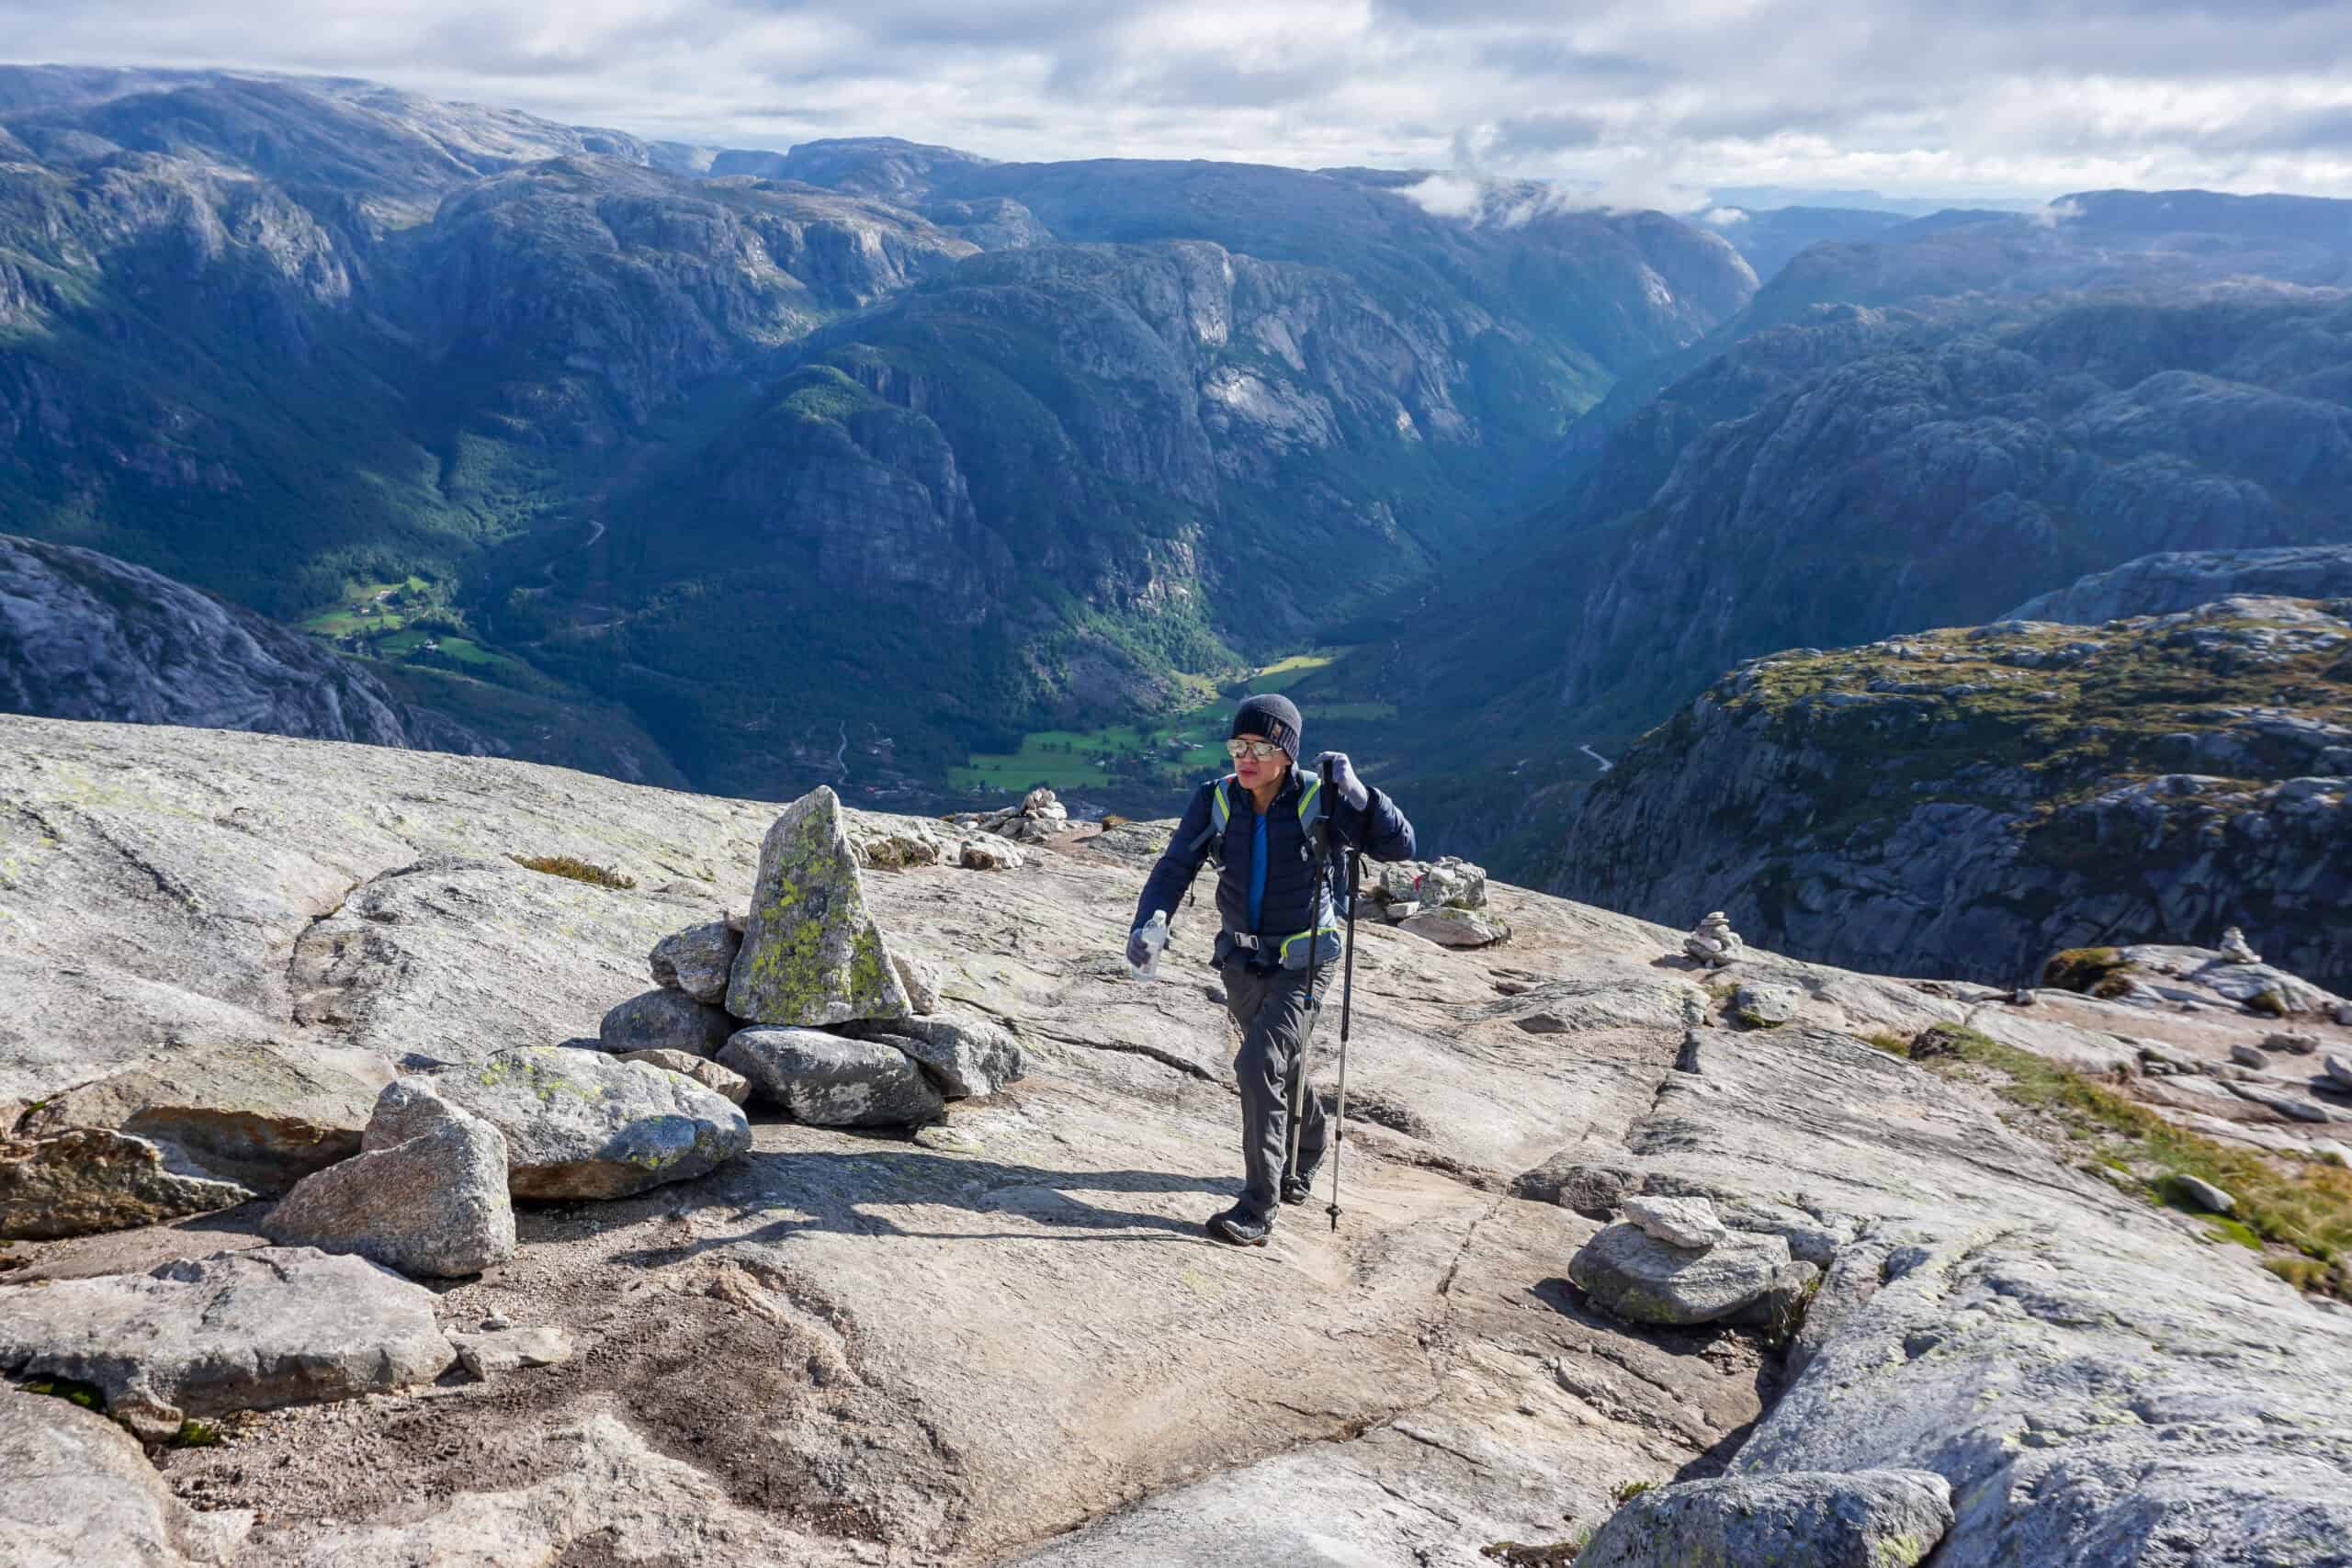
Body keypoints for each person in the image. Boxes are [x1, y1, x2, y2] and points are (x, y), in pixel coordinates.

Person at [1125, 694, 1416, 1247]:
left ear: (1286, 751)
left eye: (1261, 745)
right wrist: (1150, 921)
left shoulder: (1321, 800)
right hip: (1240, 960)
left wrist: (1361, 795)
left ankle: (1259, 1206)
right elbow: (1175, 865)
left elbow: (1400, 847)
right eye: (1239, 745)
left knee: (1260, 1061)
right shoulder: (1215, 800)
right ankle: (1307, 1147)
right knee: (1282, 1061)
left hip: (1306, 963)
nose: (1246, 756)